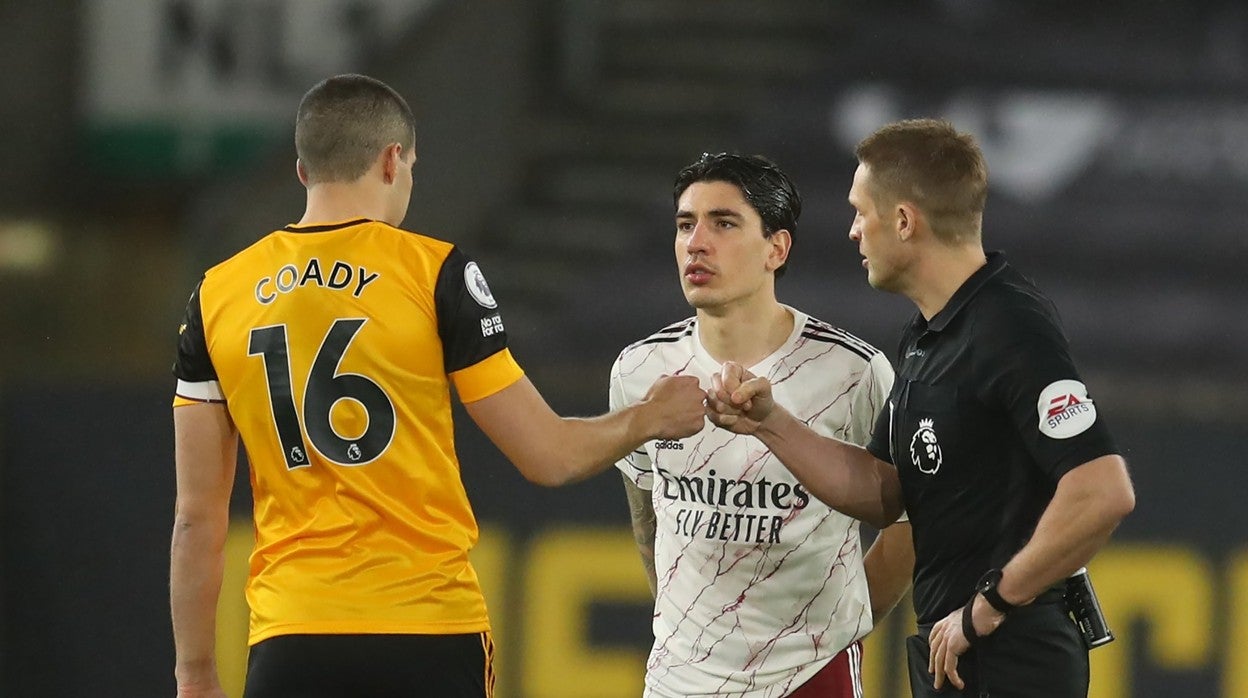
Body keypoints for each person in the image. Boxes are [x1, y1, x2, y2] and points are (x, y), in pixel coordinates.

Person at [169, 74, 707, 698]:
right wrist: (650, 416)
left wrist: (195, 671)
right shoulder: (435, 273)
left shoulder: (216, 295)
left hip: (293, 635)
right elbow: (549, 456)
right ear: (393, 160)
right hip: (427, 629)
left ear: (302, 171)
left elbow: (195, 520)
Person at [704, 119, 1136, 697]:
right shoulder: (929, 335)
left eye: (862, 212)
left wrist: (989, 604)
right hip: (962, 653)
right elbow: (884, 490)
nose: (854, 231)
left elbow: (1102, 491)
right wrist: (771, 423)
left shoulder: (1008, 325)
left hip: (1010, 656)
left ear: (905, 221)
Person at [611, 152, 914, 698]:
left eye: (723, 223)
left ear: (777, 248)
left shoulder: (852, 372)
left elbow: (912, 519)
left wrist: (842, 623)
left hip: (808, 677)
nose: (696, 243)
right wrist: (691, 629)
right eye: (685, 225)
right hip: (678, 680)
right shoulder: (639, 370)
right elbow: (645, 506)